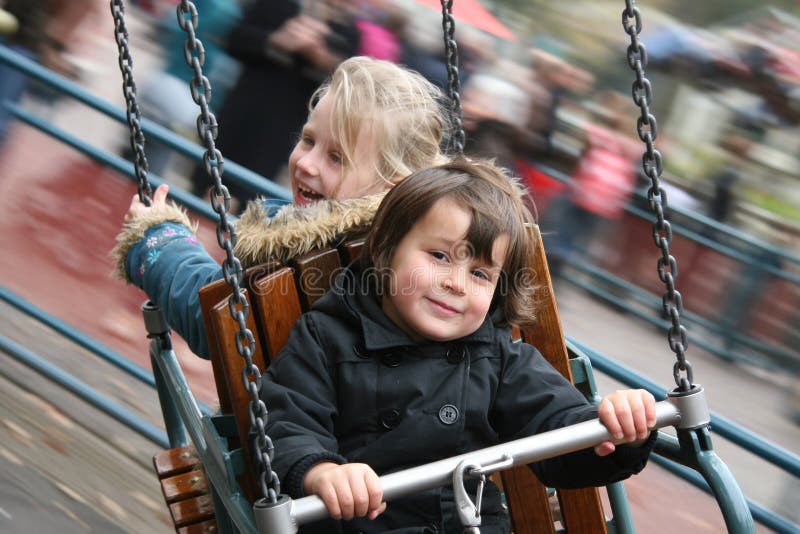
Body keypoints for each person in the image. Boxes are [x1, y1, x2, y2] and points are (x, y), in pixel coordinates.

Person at [262, 158, 658, 533]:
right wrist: (323, 472)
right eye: (439, 255)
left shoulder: (497, 358)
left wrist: (616, 431)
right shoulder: (327, 336)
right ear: (386, 249)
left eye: (480, 274)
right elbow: (288, 422)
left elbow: (558, 430)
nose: (456, 283)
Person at [112, 56, 449, 358]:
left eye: (336, 158)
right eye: (308, 140)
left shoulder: (309, 252)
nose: (306, 164)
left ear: (390, 186)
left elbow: (213, 321)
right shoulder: (414, 251)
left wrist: (157, 236)